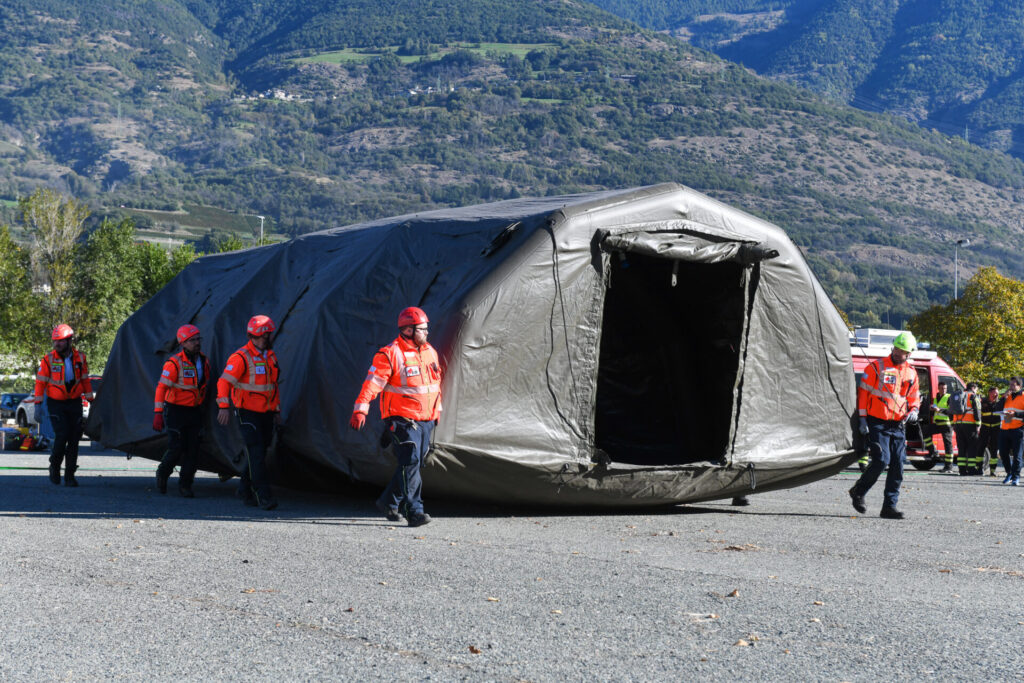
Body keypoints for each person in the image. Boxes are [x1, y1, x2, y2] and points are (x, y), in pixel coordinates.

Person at [350, 306, 442, 528]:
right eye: (422, 329)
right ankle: (414, 511)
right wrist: (361, 409)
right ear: (408, 330)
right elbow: (373, 383)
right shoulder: (390, 354)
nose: (427, 332)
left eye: (426, 328)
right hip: (402, 419)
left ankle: (388, 502)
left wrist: (436, 412)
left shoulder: (429, 351)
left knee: (412, 464)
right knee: (409, 460)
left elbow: (435, 385)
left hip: (425, 419)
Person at [849, 331, 920, 519]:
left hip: (898, 424)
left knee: (898, 464)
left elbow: (913, 398)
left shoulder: (911, 373)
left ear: (909, 353)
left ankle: (889, 507)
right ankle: (858, 491)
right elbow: (863, 394)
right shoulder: (875, 367)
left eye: (902, 351)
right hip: (877, 422)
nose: (898, 353)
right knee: (882, 460)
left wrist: (914, 410)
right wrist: (863, 419)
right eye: (896, 348)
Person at [217, 315, 280, 509]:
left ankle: (244, 487)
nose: (262, 339)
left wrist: (276, 410)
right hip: (247, 413)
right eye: (258, 336)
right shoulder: (240, 357)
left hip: (267, 413)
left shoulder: (270, 356)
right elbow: (224, 382)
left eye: (264, 336)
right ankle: (263, 496)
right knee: (257, 452)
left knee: (259, 453)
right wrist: (224, 407)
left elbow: (273, 386)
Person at [31, 324, 94, 486]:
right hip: (55, 403)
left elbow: (85, 380)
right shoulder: (48, 359)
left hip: (74, 402)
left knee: (74, 439)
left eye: (60, 341)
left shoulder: (80, 358)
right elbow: (40, 383)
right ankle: (55, 466)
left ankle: (70, 476)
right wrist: (38, 404)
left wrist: (91, 401)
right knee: (62, 434)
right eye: (55, 341)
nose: (56, 344)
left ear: (69, 341)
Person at [153, 324, 211, 497]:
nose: (196, 343)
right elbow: (161, 388)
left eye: (198, 339)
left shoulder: (204, 361)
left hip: (194, 412)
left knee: (193, 450)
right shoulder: (174, 363)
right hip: (176, 411)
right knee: (176, 448)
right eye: (192, 340)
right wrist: (158, 412)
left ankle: (186, 485)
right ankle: (163, 473)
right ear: (183, 343)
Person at [997, 377, 1024, 486]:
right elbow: (997, 407)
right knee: (1003, 453)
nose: (1011, 387)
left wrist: (1015, 414)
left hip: (1018, 429)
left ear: (1019, 386)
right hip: (1004, 429)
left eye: (1013, 385)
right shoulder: (1006, 396)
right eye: (1010, 384)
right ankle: (1009, 473)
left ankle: (1016, 477)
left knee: (1017, 456)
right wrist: (1004, 397)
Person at [951, 382, 982, 475]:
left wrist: (954, 424)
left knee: (962, 448)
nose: (976, 391)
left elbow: (951, 410)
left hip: (958, 424)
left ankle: (962, 470)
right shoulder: (973, 396)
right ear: (973, 387)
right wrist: (978, 424)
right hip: (969, 424)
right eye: (976, 389)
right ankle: (972, 469)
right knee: (972, 447)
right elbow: (977, 411)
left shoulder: (958, 395)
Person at [930, 382, 955, 473]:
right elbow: (935, 412)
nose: (943, 390)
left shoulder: (949, 397)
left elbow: (950, 411)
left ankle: (949, 467)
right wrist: (932, 409)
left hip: (946, 424)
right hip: (938, 423)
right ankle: (933, 451)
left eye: (945, 388)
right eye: (941, 388)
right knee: (925, 432)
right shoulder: (936, 398)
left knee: (948, 445)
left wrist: (939, 410)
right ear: (938, 388)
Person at [979, 386, 1003, 476]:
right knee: (981, 448)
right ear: (989, 393)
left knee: (994, 450)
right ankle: (979, 469)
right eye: (994, 393)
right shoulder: (983, 402)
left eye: (997, 393)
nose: (996, 394)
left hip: (996, 429)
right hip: (985, 428)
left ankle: (992, 471)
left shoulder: (1000, 402)